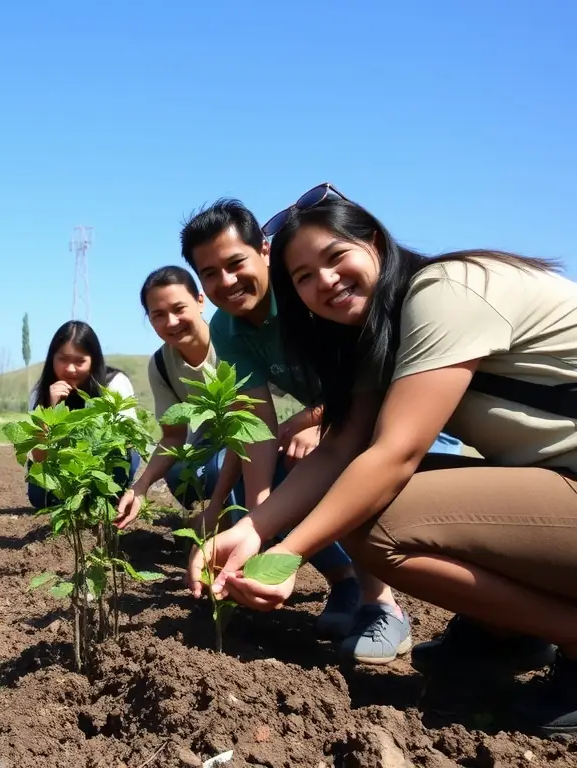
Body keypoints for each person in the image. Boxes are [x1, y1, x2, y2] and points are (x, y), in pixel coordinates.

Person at [190, 184, 576, 734]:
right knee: (361, 494)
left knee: (377, 521)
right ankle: (505, 634)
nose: (323, 281)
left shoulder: (446, 291)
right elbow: (343, 447)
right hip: (558, 481)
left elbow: (394, 454)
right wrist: (254, 530)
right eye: (303, 277)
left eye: (335, 256)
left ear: (373, 241)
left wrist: (286, 556)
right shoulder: (380, 334)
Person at [176, 198, 463, 653]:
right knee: (278, 473)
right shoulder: (229, 330)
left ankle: (382, 605)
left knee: (335, 465)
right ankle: (345, 581)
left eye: (235, 263)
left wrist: (318, 421)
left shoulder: (312, 296)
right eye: (210, 274)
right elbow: (257, 424)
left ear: (265, 252)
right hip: (348, 422)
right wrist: (258, 523)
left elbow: (369, 381)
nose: (226, 282)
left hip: (415, 423)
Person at [115, 264, 360, 638]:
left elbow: (247, 431)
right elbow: (173, 436)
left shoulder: (228, 344)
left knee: (247, 487)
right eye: (158, 315)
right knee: (183, 473)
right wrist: (141, 485)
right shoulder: (163, 364)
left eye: (179, 308)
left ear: (200, 301)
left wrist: (216, 504)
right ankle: (230, 559)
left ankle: (343, 576)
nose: (171, 321)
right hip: (215, 440)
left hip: (258, 432)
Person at [26, 320, 140, 510]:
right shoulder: (41, 392)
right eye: (63, 359)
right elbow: (39, 457)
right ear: (52, 358)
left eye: (80, 361)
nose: (70, 369)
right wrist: (49, 410)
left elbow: (128, 440)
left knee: (108, 493)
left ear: (93, 360)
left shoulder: (113, 384)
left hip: (107, 462)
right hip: (65, 464)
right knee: (40, 497)